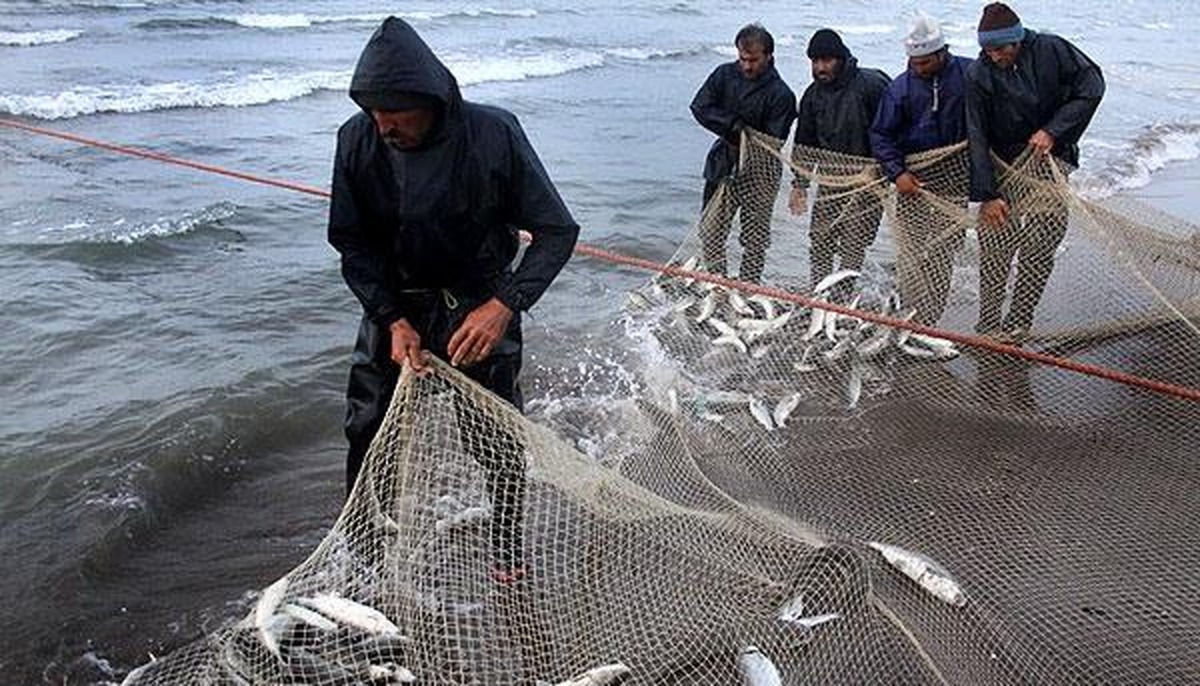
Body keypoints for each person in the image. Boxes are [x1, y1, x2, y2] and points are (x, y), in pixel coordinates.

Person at [327, 17, 580, 583]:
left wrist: (504, 305)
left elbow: (557, 231)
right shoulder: (356, 139)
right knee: (366, 430)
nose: (384, 127)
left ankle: (507, 546)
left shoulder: (494, 134)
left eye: (397, 115)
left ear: (433, 101)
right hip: (397, 309)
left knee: (496, 439)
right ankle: (365, 553)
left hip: (477, 307)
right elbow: (351, 241)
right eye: (375, 114)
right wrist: (389, 317)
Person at [966, 2, 1104, 341]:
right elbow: (977, 135)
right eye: (987, 49)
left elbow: (1092, 86)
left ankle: (1019, 320)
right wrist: (988, 194)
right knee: (996, 246)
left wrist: (1054, 130)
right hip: (1003, 165)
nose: (994, 56)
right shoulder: (978, 73)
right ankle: (987, 321)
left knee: (1042, 242)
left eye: (1000, 49)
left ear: (1018, 40)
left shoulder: (1052, 50)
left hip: (1049, 163)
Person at [870, 15, 973, 326]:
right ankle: (907, 316)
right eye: (913, 61)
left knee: (943, 254)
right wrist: (896, 173)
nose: (918, 68)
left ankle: (930, 320)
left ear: (942, 53)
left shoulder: (970, 74)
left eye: (925, 62)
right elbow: (881, 134)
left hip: (955, 182)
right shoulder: (899, 88)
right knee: (910, 252)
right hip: (911, 182)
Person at [690, 23, 797, 283]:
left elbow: (774, 141)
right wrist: (731, 126)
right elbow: (700, 106)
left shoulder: (782, 95)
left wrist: (745, 135)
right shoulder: (724, 75)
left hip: (761, 171)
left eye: (753, 60)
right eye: (742, 59)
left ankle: (749, 285)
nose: (747, 66)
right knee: (711, 230)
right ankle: (718, 282)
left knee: (755, 238)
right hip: (723, 162)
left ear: (769, 56)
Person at [789, 29, 890, 297]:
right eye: (815, 61)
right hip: (831, 179)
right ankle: (820, 293)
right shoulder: (812, 95)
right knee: (820, 238)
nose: (820, 67)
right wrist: (799, 184)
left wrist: (887, 170)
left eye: (827, 60)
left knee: (854, 242)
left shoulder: (871, 85)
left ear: (841, 59)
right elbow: (804, 143)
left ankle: (843, 299)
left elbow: (893, 129)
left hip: (869, 180)